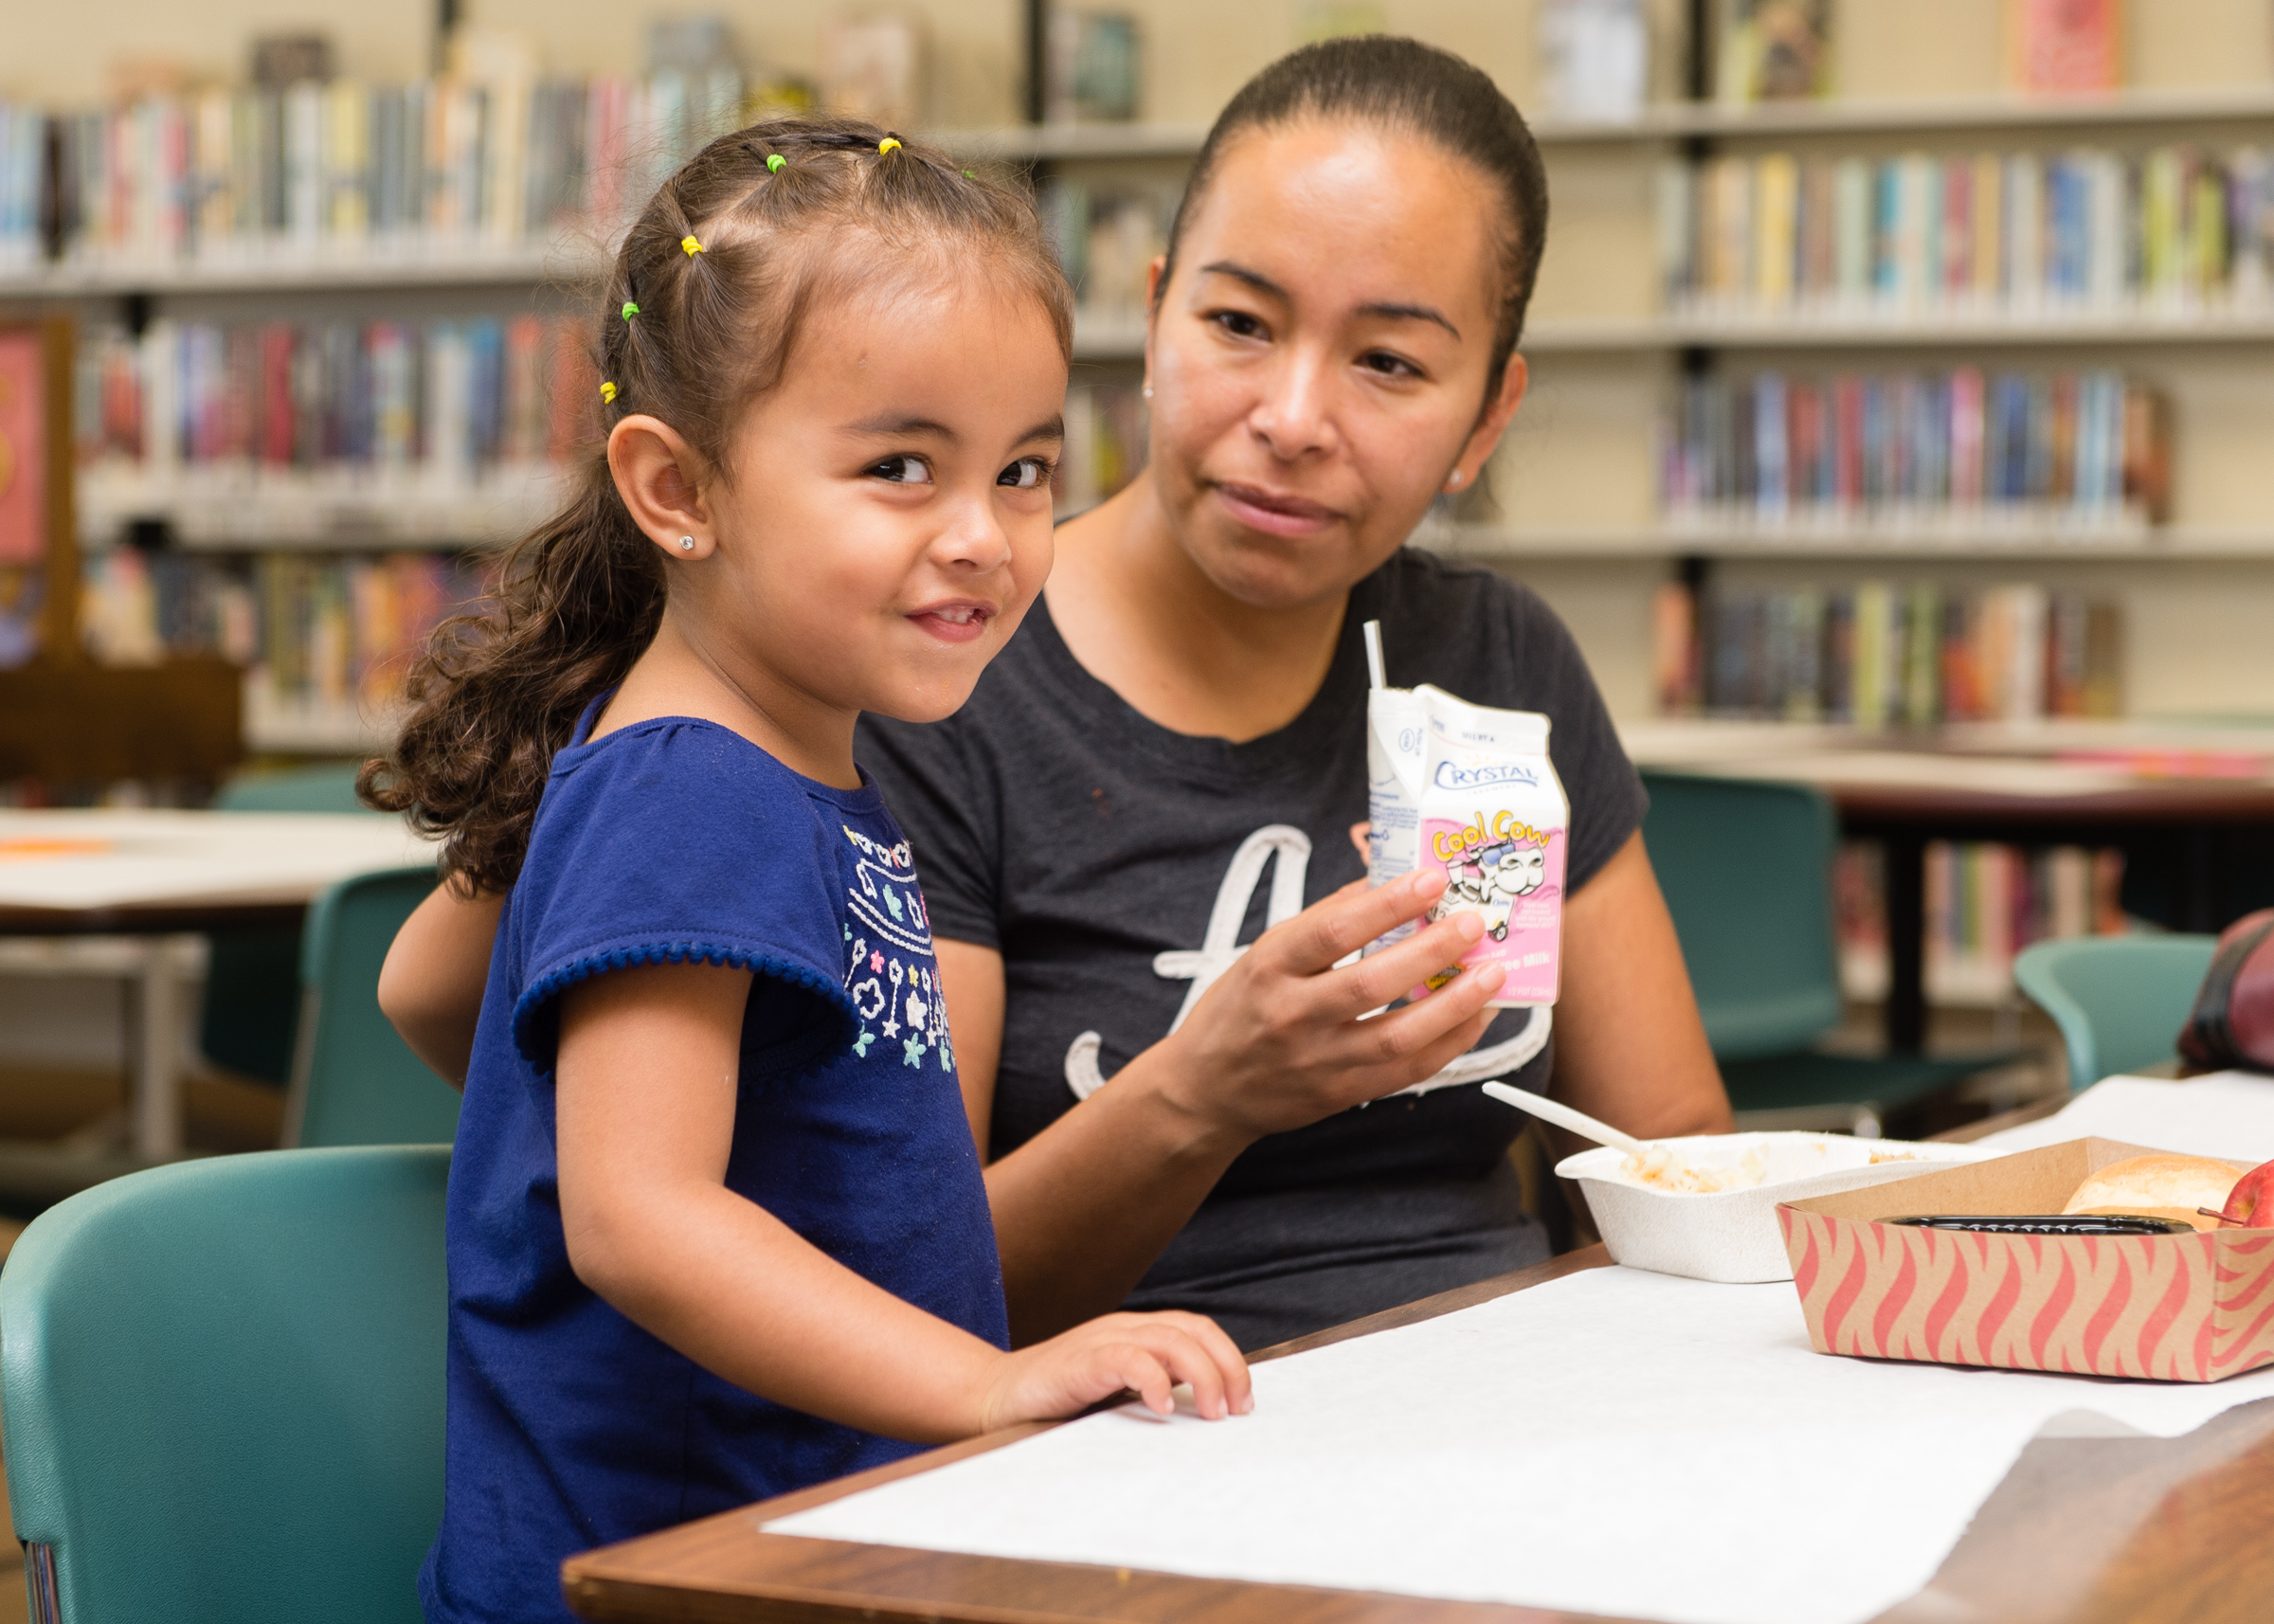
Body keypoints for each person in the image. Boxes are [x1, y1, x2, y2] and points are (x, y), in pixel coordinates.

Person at [383, 40, 1730, 1361]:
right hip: (1087, 1419)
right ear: (1152, 315)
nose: (1294, 415)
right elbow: (887, 1253)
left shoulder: (1489, 659)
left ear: (1488, 417)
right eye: (1239, 323)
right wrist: (1204, 1093)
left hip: (1486, 1389)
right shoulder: (904, 667)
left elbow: (1672, 1159)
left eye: (1389, 362)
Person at [367, 120, 1257, 1624]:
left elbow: (427, 984)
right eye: (901, 467)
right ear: (678, 489)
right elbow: (638, 1218)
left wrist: (581, 1099)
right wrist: (983, 1379)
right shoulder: (696, 783)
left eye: (1026, 469)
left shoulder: (725, 745)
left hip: (807, 1542)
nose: (983, 535)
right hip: (685, 1578)